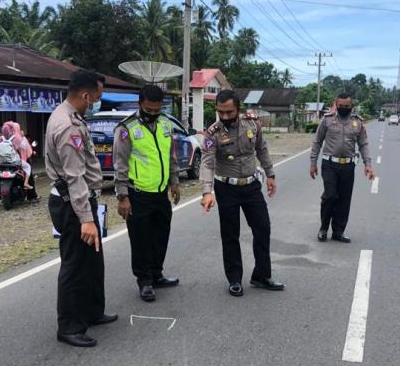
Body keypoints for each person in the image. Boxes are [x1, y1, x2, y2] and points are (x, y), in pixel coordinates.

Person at [45, 69, 116, 348]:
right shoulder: (67, 126)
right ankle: (70, 326)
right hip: (73, 203)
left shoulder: (72, 117)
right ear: (85, 95)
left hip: (83, 199)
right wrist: (85, 217)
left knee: (92, 261)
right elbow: (74, 176)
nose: (96, 103)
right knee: (75, 265)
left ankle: (92, 312)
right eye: (96, 98)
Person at [200, 89, 284, 297]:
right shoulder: (212, 133)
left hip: (251, 186)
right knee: (230, 235)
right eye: (221, 113)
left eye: (229, 112)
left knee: (263, 228)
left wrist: (270, 174)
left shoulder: (252, 125)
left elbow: (261, 149)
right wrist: (206, 192)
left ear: (238, 108)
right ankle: (234, 279)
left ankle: (262, 275)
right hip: (226, 187)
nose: (225, 117)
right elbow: (207, 162)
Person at [113, 84, 181, 302]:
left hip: (160, 194)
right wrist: (123, 197)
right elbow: (120, 164)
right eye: (149, 109)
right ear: (140, 103)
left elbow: (170, 156)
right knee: (141, 240)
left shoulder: (165, 124)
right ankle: (144, 281)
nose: (153, 114)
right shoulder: (126, 128)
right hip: (138, 193)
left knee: (161, 236)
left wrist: (175, 182)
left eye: (157, 110)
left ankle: (157, 274)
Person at [309, 93, 375, 243]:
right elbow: (317, 142)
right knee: (330, 195)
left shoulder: (357, 122)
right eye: (341, 106)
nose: (344, 108)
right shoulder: (327, 120)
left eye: (347, 106)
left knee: (344, 199)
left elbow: (363, 144)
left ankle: (338, 231)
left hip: (348, 166)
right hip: (329, 164)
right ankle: (323, 228)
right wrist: (313, 163)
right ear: (336, 104)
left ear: (351, 106)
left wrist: (368, 165)